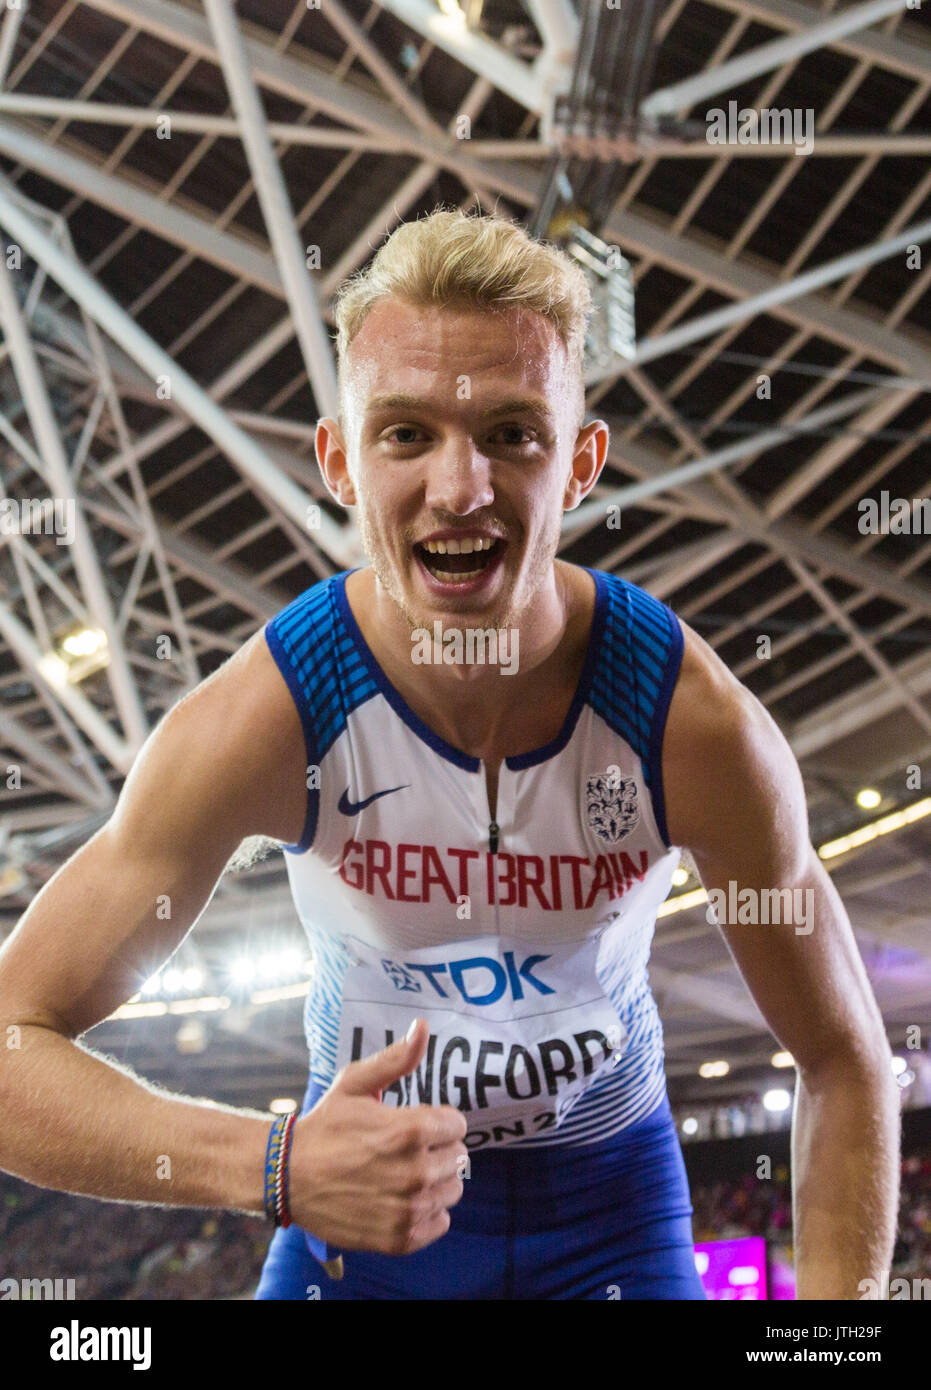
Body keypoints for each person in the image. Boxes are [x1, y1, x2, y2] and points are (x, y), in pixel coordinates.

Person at [0, 209, 899, 1301]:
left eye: (513, 433)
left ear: (579, 463)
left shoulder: (689, 724)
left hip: (612, 1214)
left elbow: (846, 1060)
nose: (460, 489)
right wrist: (270, 1163)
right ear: (338, 460)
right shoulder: (265, 720)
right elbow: (11, 1046)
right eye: (406, 433)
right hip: (356, 1216)